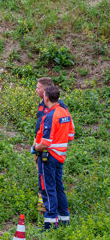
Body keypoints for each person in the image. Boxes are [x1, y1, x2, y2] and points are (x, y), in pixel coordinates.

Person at [33, 85, 75, 230]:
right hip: (60, 156)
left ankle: (50, 223)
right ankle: (64, 219)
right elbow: (71, 136)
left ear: (46, 98)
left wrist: (35, 148)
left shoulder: (51, 116)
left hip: (49, 157)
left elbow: (45, 143)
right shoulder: (65, 113)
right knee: (58, 187)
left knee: (48, 188)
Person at [33, 78, 67, 213]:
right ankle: (44, 204)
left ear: (45, 91)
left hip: (49, 147)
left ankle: (49, 211)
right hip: (40, 141)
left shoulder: (59, 107)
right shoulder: (42, 103)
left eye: (38, 88)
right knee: (41, 174)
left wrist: (41, 146)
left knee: (48, 178)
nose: (36, 90)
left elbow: (65, 126)